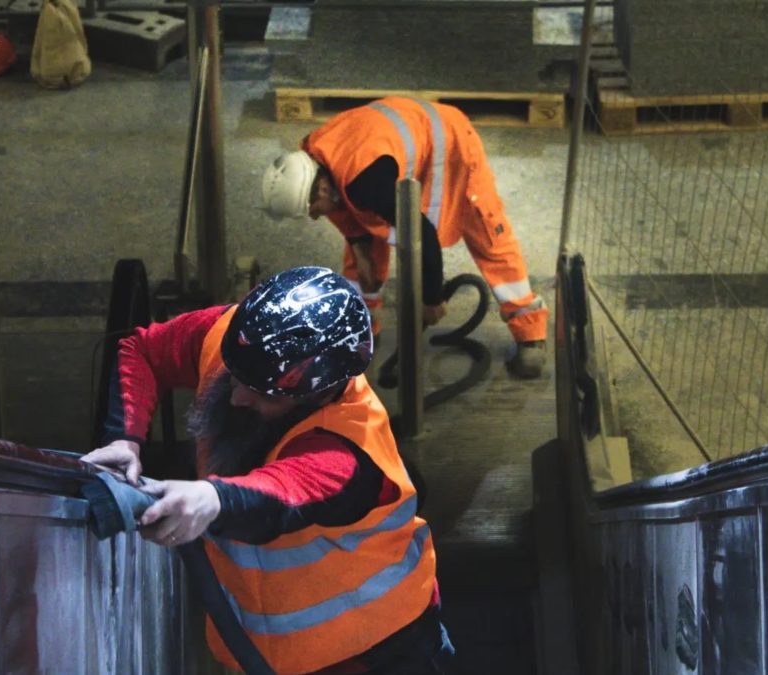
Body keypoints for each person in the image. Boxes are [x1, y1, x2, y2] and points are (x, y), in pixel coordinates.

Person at [82, 266, 452, 674]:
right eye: (236, 375)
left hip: (375, 651)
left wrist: (210, 499)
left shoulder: (346, 449)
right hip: (260, 652)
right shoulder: (243, 344)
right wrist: (124, 438)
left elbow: (279, 496)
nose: (237, 396)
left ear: (320, 392)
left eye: (261, 392)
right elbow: (144, 350)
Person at [260, 96, 549, 378]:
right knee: (363, 256)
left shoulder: (363, 181)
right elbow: (349, 216)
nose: (313, 216)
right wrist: (362, 254)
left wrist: (432, 299)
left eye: (311, 210)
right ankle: (355, 331)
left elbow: (422, 233)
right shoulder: (316, 161)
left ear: (321, 190)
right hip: (395, 146)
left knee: (487, 232)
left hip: (450, 143)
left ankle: (530, 332)